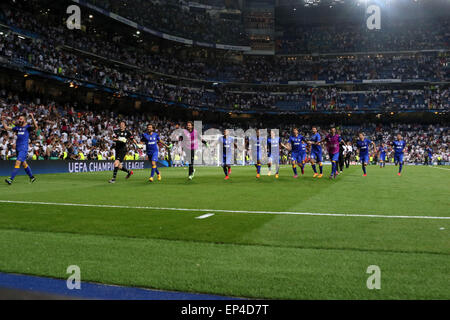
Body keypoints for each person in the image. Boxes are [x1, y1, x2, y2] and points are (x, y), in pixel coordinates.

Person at [2, 113, 38, 185]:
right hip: (18, 148)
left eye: (21, 119)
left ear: (24, 120)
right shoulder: (17, 128)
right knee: (24, 163)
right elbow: (6, 128)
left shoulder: (27, 127)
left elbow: (36, 127)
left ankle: (10, 179)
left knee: (17, 162)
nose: (19, 120)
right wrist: (2, 120)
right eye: (19, 119)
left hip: (23, 148)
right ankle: (32, 177)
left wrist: (32, 117)